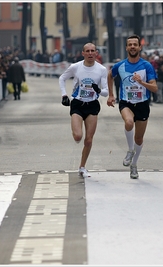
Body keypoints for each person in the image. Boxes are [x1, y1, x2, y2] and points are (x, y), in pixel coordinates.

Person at [106, 34, 158, 179]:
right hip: (126, 102)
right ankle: (130, 150)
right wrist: (111, 95)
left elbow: (154, 88)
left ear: (140, 47)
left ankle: (134, 165)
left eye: (135, 44)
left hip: (142, 104)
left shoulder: (146, 66)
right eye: (130, 44)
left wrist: (141, 82)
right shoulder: (120, 65)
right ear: (126, 47)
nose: (133, 47)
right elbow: (110, 75)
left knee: (139, 139)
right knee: (129, 122)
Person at [58, 43, 108, 178]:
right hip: (77, 104)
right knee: (78, 136)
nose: (90, 53)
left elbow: (105, 92)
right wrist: (64, 95)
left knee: (89, 140)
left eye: (93, 51)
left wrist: (98, 90)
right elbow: (62, 78)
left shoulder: (102, 69)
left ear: (96, 53)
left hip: (92, 105)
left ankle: (82, 167)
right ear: (83, 53)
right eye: (88, 51)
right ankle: (75, 129)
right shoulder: (76, 67)